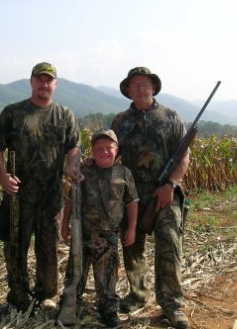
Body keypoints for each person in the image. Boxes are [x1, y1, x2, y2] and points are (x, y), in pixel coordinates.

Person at [0, 62, 81, 313]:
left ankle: (46, 295)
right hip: (18, 196)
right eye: (39, 79)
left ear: (55, 84)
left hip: (51, 197)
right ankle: (18, 297)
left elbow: (73, 147)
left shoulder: (64, 115)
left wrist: (72, 166)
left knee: (48, 248)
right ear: (31, 81)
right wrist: (2, 175)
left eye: (48, 80)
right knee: (15, 247)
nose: (44, 84)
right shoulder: (13, 113)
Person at [111, 67, 190, 329]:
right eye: (135, 85)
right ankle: (137, 295)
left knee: (169, 246)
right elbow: (111, 154)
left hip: (164, 195)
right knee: (132, 247)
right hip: (131, 197)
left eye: (145, 84)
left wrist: (171, 184)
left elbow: (183, 157)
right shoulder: (120, 121)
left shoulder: (171, 116)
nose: (141, 88)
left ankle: (173, 305)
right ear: (128, 90)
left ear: (153, 87)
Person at [59, 129, 139, 327]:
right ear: (92, 151)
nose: (104, 152)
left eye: (108, 148)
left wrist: (132, 228)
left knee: (107, 278)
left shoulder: (124, 173)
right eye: (99, 149)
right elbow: (71, 199)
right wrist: (64, 225)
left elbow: (132, 202)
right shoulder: (84, 172)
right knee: (75, 273)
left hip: (108, 236)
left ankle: (108, 308)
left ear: (116, 150)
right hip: (82, 233)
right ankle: (70, 305)